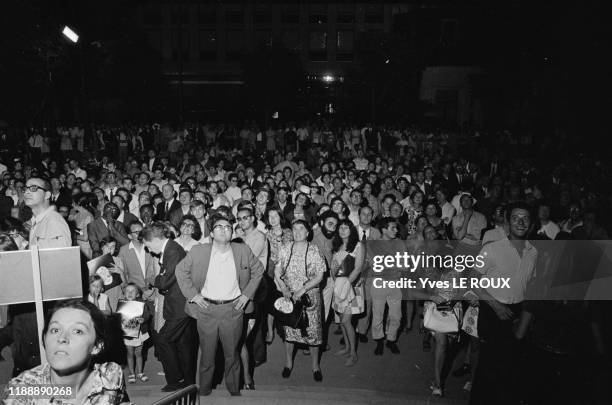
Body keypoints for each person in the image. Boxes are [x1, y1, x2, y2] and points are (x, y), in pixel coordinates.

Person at [469, 202, 538, 405]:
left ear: (531, 224)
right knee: (489, 367)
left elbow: (529, 285)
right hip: (493, 310)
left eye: (525, 218)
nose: (520, 222)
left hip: (517, 313)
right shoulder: (492, 249)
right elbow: (472, 279)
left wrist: (524, 316)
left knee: (510, 369)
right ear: (507, 222)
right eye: (515, 218)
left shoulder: (533, 252)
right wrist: (496, 306)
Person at [1, 299, 129, 404]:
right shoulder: (22, 391)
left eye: (77, 331)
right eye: (55, 330)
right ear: (45, 338)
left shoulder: (110, 376)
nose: (62, 338)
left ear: (97, 346)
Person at [143, 222, 198, 392]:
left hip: (179, 307)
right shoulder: (171, 249)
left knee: (163, 340)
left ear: (155, 240)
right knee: (183, 344)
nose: (148, 250)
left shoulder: (173, 251)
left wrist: (154, 279)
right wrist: (160, 277)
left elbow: (164, 281)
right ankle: (187, 380)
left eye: (148, 245)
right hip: (179, 305)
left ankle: (175, 380)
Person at [274, 220, 326, 382]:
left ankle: (315, 366)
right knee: (290, 332)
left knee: (313, 333)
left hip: (309, 297)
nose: (297, 232)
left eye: (301, 228)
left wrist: (302, 290)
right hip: (289, 296)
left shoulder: (314, 250)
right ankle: (288, 363)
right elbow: (277, 271)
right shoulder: (285, 248)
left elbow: (320, 276)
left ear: (308, 232)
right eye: (294, 229)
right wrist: (283, 288)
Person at [330, 219, 365, 366]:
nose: (343, 230)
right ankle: (347, 347)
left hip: (351, 288)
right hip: (338, 287)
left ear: (352, 230)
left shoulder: (358, 246)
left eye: (346, 228)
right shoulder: (337, 246)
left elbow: (357, 268)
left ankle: (353, 353)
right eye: (340, 227)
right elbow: (334, 267)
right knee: (341, 320)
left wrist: (346, 284)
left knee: (346, 321)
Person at [367, 218, 404, 356]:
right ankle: (378, 340)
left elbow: (404, 265)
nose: (396, 230)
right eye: (393, 228)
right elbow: (374, 267)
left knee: (396, 315)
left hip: (395, 283)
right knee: (378, 314)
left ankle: (391, 339)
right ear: (384, 229)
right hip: (379, 283)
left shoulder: (399, 243)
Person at [23, 177, 71, 248]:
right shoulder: (35, 221)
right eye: (25, 188)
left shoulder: (54, 222)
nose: (27, 192)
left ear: (47, 195)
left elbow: (61, 257)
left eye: (33, 188)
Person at [121, 283, 153, 384]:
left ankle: (140, 372)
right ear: (124, 294)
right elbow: (118, 319)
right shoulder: (122, 305)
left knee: (139, 353)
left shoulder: (142, 304)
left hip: (139, 333)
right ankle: (131, 373)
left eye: (133, 291)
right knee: (130, 354)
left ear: (138, 294)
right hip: (128, 334)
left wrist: (143, 319)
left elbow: (147, 315)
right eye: (127, 291)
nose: (130, 293)